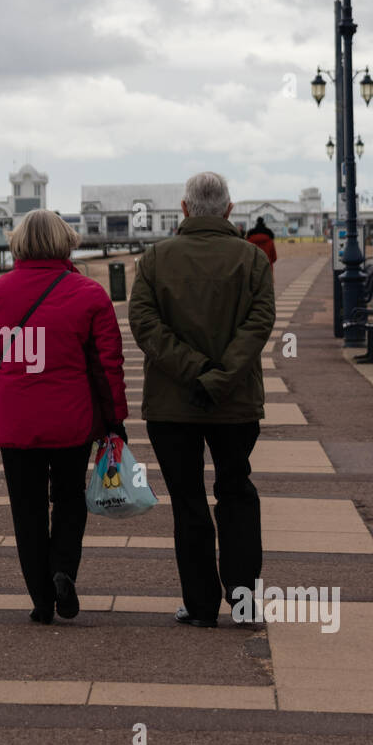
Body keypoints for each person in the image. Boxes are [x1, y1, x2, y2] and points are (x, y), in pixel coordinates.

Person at [0, 209, 128, 624]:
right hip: (71, 419)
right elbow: (109, 366)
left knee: (27, 508)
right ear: (66, 241)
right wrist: (115, 420)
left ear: (18, 243)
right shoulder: (90, 294)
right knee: (70, 501)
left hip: (15, 419)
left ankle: (41, 598)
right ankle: (62, 571)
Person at [128, 172, 275, 628]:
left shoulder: (155, 259)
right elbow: (259, 323)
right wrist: (222, 376)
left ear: (185, 209)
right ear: (229, 210)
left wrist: (193, 371)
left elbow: (145, 325)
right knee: (236, 492)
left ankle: (200, 604)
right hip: (235, 403)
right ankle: (245, 602)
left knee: (187, 501)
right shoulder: (252, 260)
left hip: (174, 404)